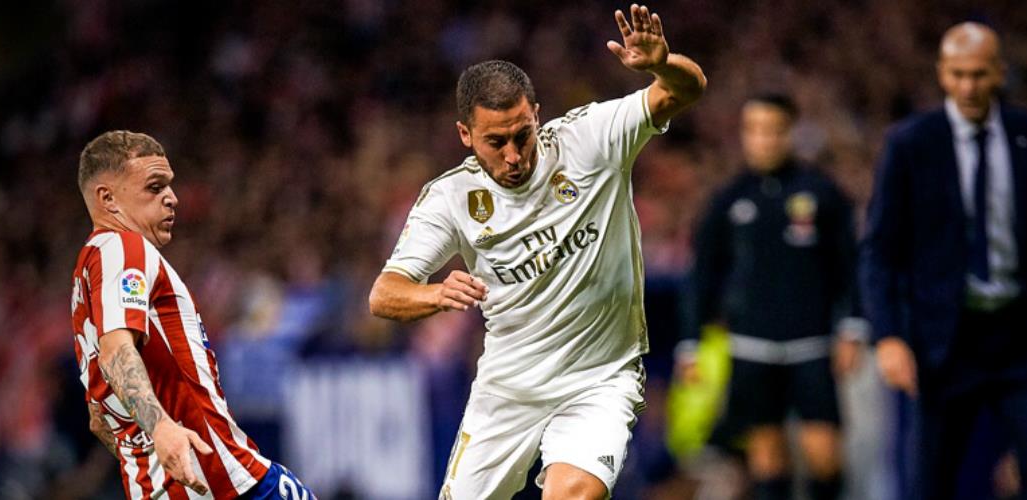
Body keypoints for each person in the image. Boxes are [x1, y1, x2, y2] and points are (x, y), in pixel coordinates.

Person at [367, 4, 705, 499]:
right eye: (495, 142)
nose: (513, 156)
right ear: (465, 135)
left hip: (599, 377)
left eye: (522, 135)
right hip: (509, 388)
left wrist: (664, 65)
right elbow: (384, 294)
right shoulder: (450, 199)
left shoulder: (590, 139)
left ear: (536, 115)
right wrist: (435, 294)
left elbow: (686, 89)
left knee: (573, 494)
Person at [860, 22, 1027, 499]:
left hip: (1021, 334)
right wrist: (888, 335)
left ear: (999, 72)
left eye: (979, 74)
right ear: (941, 73)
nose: (967, 86)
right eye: (957, 74)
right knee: (930, 481)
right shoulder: (910, 143)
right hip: (944, 340)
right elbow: (880, 249)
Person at [70, 130, 314, 500]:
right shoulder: (123, 248)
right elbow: (117, 352)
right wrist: (161, 429)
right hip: (223, 483)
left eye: (169, 185)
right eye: (154, 187)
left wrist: (151, 459)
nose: (172, 198)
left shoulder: (86, 277)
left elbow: (99, 419)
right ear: (108, 198)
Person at [676, 94, 863, 500]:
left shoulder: (822, 193)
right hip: (751, 346)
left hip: (812, 344)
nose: (764, 139)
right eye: (755, 130)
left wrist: (853, 326)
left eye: (774, 130)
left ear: (791, 133)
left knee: (824, 455)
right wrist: (690, 342)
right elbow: (703, 274)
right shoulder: (728, 199)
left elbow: (850, 264)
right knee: (767, 456)